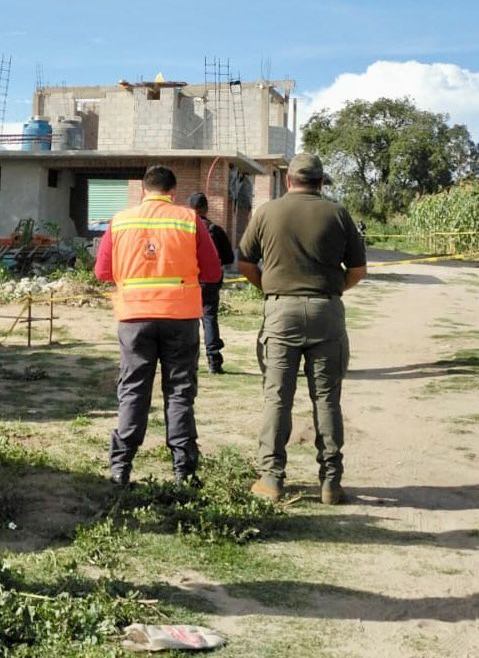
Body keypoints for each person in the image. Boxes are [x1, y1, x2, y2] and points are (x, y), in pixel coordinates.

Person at [236, 153, 366, 505]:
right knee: (327, 399)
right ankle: (331, 483)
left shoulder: (267, 212)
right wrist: (332, 287)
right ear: (321, 182)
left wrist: (268, 287)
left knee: (277, 398)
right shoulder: (338, 214)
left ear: (288, 180)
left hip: (281, 311)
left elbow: (245, 261)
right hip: (327, 311)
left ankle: (272, 479)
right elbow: (357, 270)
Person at [95, 166, 224, 486]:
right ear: (174, 193)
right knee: (179, 392)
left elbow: (102, 272)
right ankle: (183, 470)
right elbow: (212, 272)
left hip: (134, 318)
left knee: (133, 390)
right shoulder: (188, 220)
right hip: (180, 317)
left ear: (143, 191)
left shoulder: (121, 221)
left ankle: (120, 467)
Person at [187, 192, 236, 374]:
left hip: (188, 282)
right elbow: (229, 258)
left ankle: (189, 362)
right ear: (205, 208)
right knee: (209, 320)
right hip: (210, 282)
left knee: (189, 323)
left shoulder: (182, 230)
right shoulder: (215, 229)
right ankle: (214, 361)